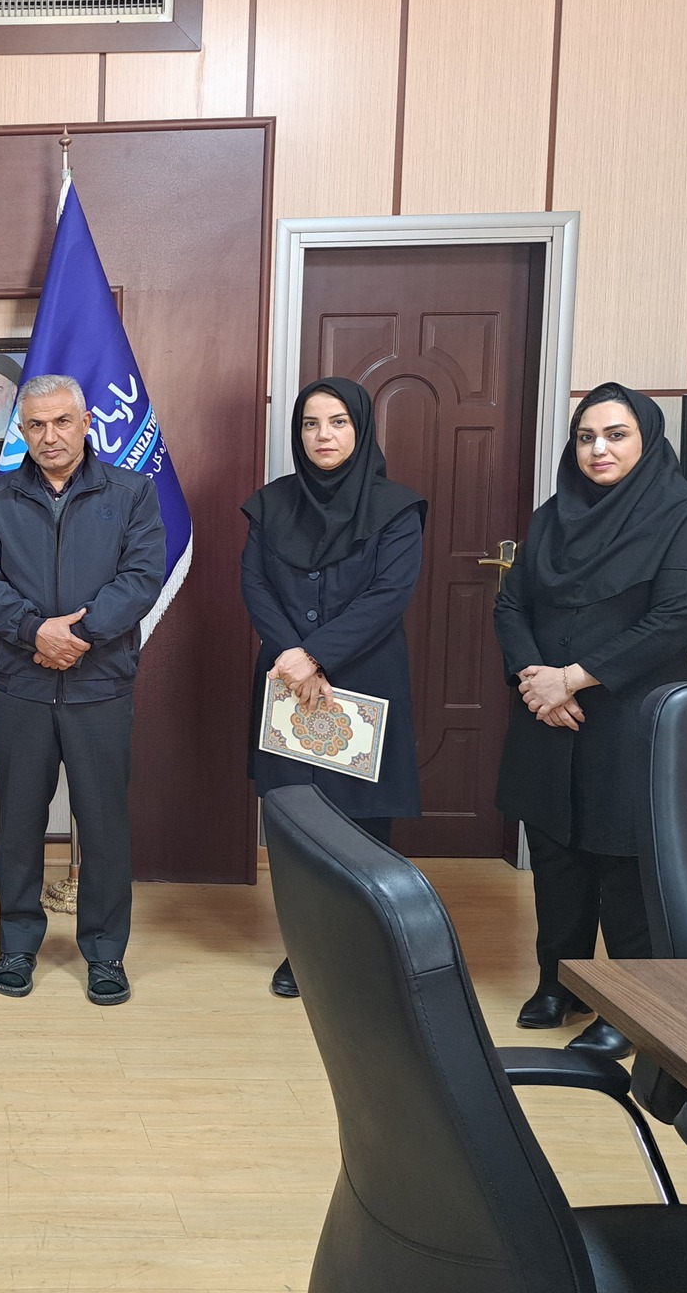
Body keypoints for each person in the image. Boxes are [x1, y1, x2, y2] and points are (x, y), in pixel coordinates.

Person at [494, 383, 687, 1057]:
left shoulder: (686, 514)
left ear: (647, 440)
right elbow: (511, 605)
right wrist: (536, 680)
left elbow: (675, 616)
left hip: (633, 717)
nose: (598, 448)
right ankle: (558, 983)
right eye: (586, 436)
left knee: (625, 862)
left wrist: (571, 678)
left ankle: (631, 1006)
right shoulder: (552, 516)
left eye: (616, 435)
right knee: (557, 855)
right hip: (548, 717)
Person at [0, 374, 166, 1005]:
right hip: (23, 684)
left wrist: (78, 635)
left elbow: (141, 577)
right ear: (21, 432)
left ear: (85, 424)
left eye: (61, 422)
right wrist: (35, 631)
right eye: (36, 425)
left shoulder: (131, 492)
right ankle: (17, 943)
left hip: (100, 683)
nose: (49, 436)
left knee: (103, 824)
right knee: (18, 822)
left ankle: (104, 953)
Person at [241, 378, 427, 998]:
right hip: (286, 681)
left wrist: (315, 654)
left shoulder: (397, 508)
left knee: (361, 823)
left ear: (362, 428)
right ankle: (306, 951)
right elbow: (255, 585)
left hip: (364, 679)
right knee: (296, 822)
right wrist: (293, 655)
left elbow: (389, 595)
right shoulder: (271, 504)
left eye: (339, 422)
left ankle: (366, 951)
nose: (323, 435)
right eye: (310, 424)